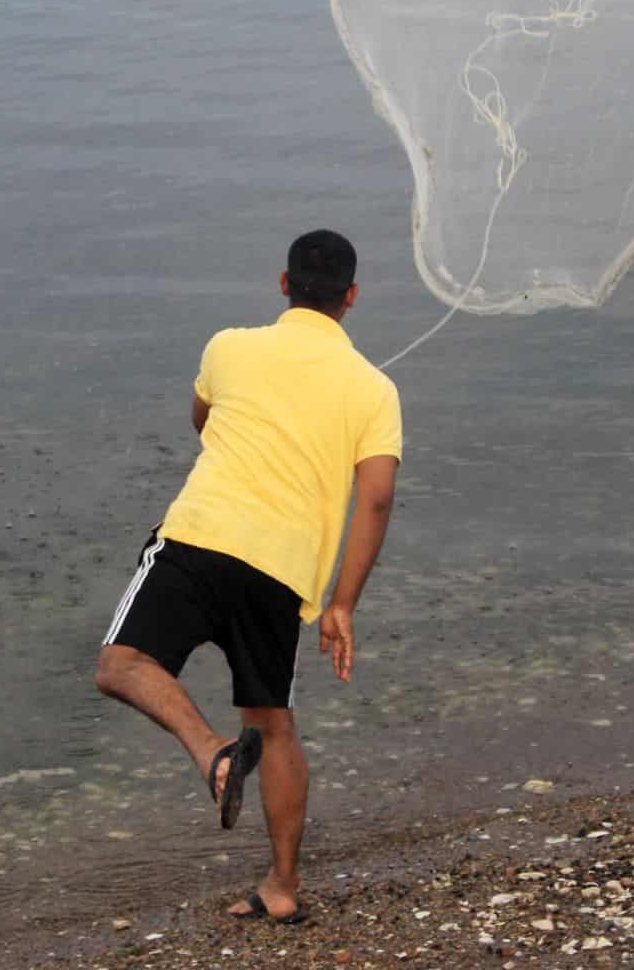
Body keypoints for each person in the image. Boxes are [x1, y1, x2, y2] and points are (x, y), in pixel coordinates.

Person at [93, 229, 403, 926]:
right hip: (280, 571)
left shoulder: (228, 347)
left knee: (121, 665)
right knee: (273, 724)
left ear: (283, 284)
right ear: (352, 296)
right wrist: (342, 604)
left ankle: (212, 753)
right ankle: (283, 885)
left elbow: (203, 420)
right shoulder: (374, 389)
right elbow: (377, 497)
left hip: (200, 539)